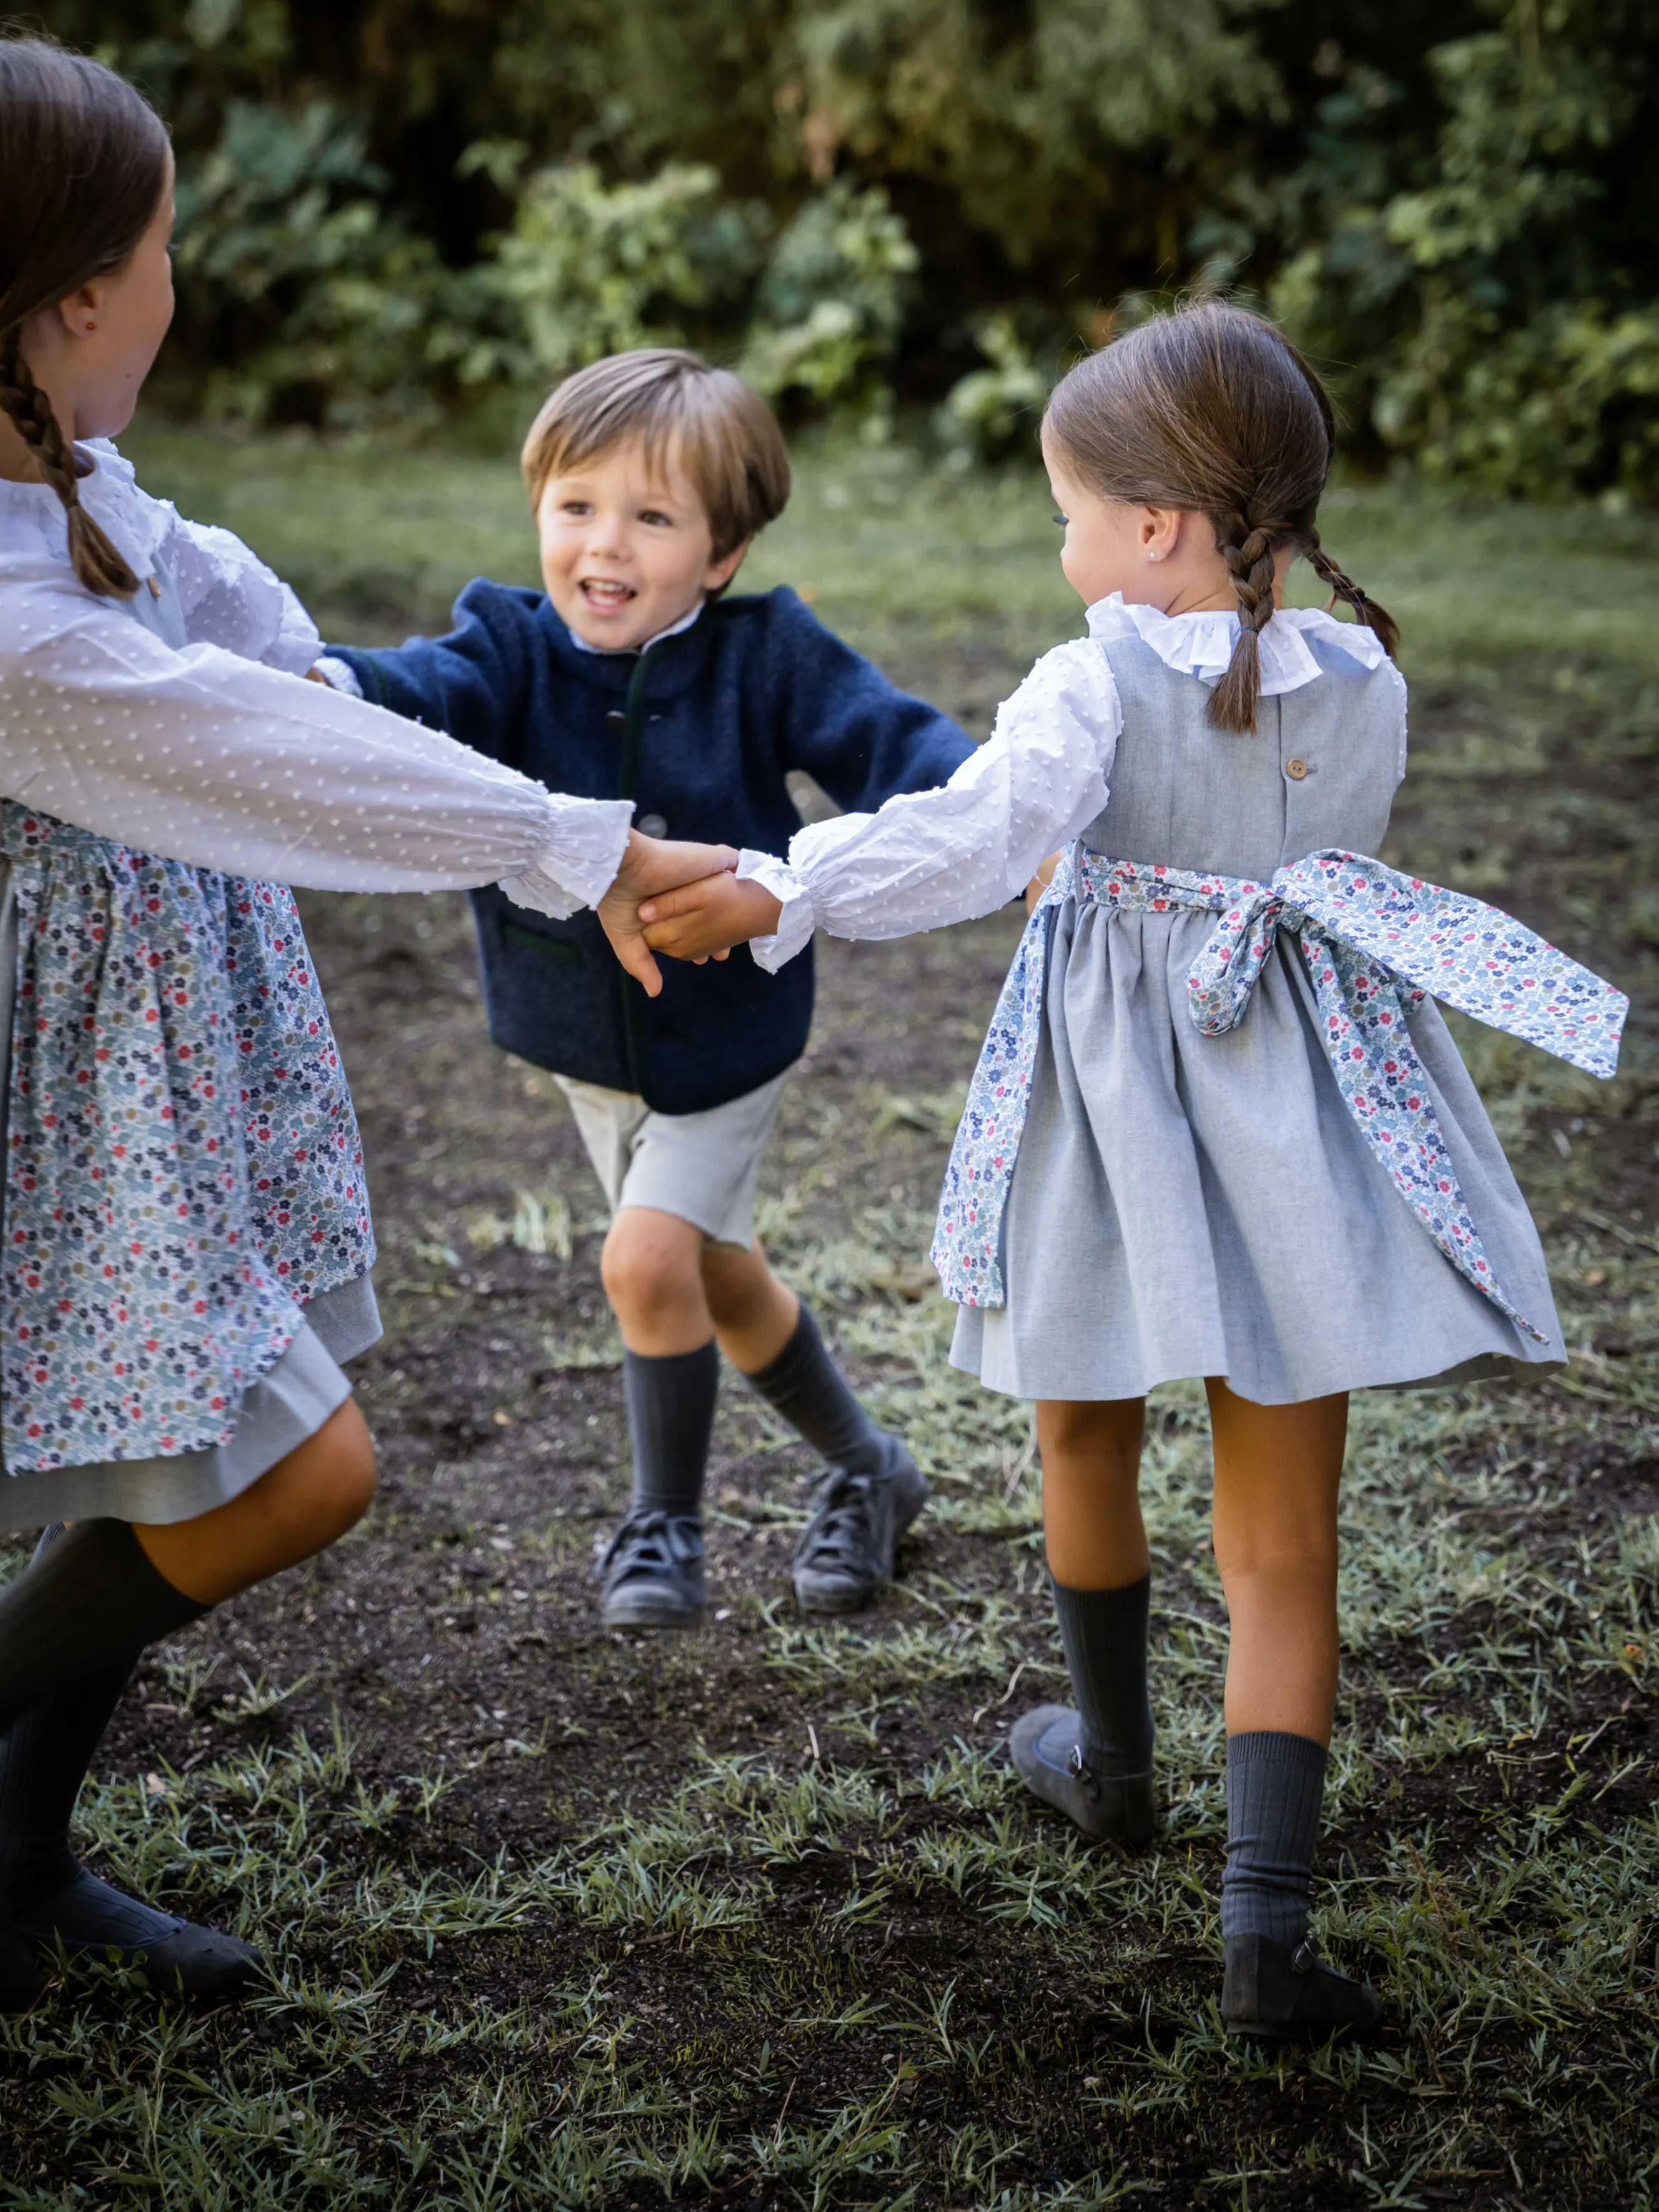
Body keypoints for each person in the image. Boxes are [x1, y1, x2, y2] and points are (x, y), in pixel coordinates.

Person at [624, 302, 1627, 2040]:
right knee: (1285, 1537)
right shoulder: (1367, 672)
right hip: (1305, 1098)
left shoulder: (1092, 676)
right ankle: (1267, 1937)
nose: (1068, 548)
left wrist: (793, 884)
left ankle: (1109, 1758)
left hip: (1116, 1103)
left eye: (1072, 514)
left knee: (1080, 1415)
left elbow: (983, 833)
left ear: (1155, 525)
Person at [0, 34, 699, 2009]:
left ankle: (16, 1860)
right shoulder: (4, 618)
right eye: (159, 256)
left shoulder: (55, 468)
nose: (173, 288)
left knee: (173, 1440)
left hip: (144, 1063)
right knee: (286, 1466)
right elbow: (246, 756)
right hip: (54, 1075)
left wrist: (345, 678)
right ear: (75, 302)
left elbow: (236, 629)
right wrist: (582, 842)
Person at [321, 348, 976, 1630]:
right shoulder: (510, 644)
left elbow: (899, 745)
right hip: (584, 1040)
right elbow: (426, 688)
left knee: (643, 1258)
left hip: (731, 1035)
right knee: (711, 1273)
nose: (602, 545)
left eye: (651, 516)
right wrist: (332, 686)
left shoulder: (767, 651)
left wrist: (1001, 813)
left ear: (720, 553)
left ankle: (660, 1526)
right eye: (575, 506)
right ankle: (870, 1469)